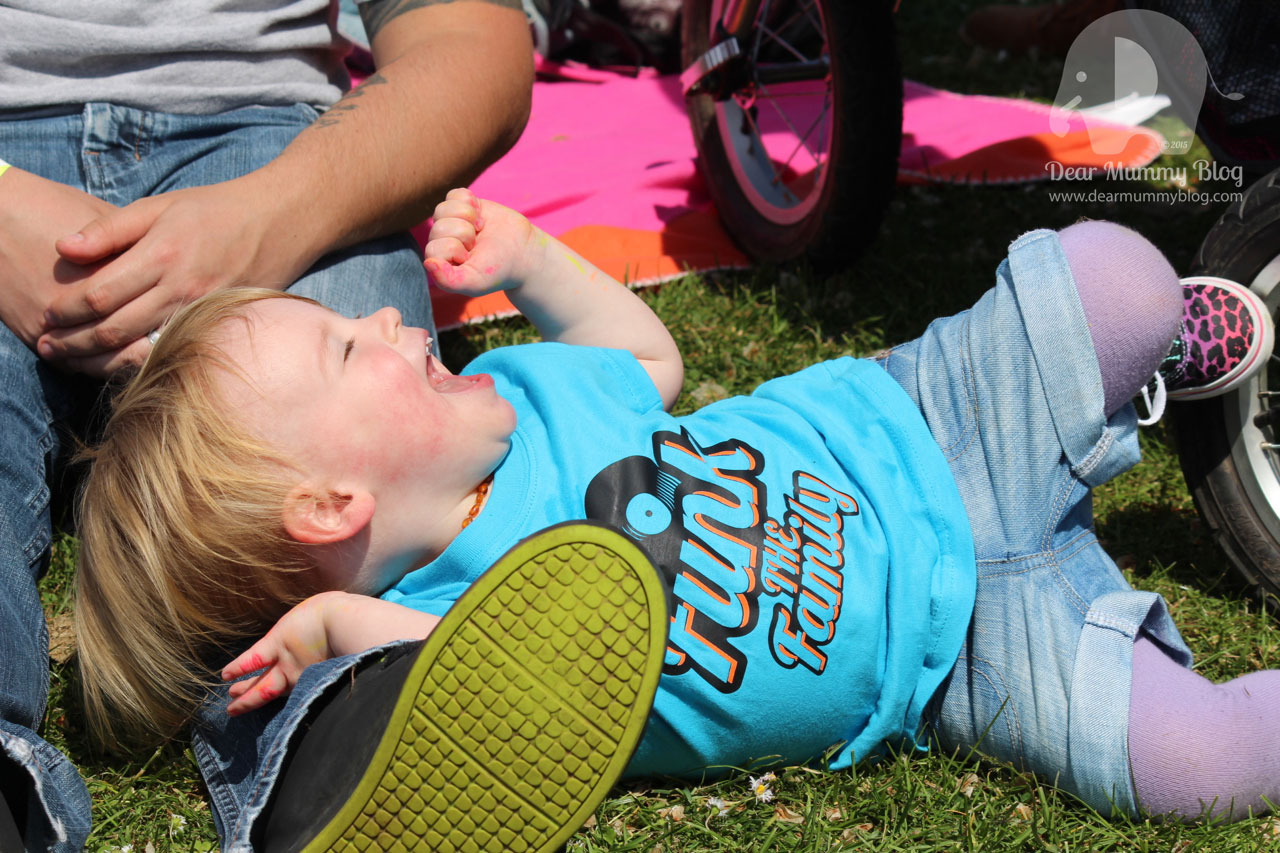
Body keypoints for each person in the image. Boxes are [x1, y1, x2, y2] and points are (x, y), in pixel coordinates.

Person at [75, 187, 1280, 848]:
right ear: (332, 505)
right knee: (1197, 762)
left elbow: (644, 359)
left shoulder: (521, 398)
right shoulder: (451, 626)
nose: (387, 319)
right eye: (349, 348)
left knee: (1117, 276)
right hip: (958, 663)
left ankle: (1150, 350)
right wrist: (338, 625)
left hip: (923, 424)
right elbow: (477, 691)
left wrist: (532, 260)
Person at [0, 0, 534, 846]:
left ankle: (357, 744)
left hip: (278, 145)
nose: (386, 327)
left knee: (378, 462)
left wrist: (272, 213)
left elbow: (477, 45)